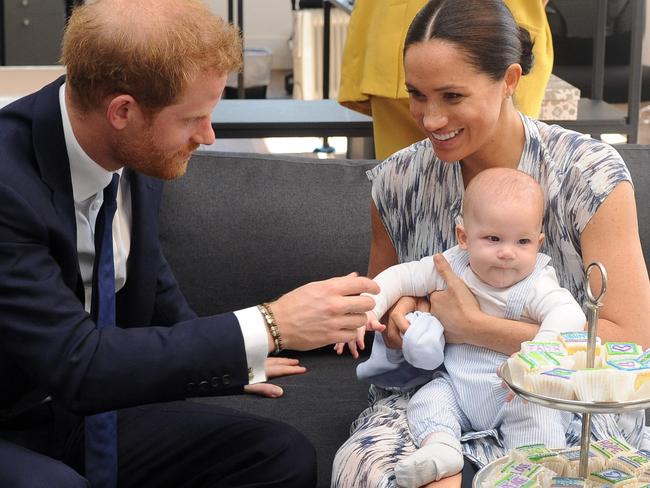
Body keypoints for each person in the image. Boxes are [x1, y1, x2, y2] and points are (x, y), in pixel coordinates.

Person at [0, 1, 381, 487]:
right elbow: (79, 363)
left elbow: (145, 272)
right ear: (123, 111)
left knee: (278, 456)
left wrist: (231, 359)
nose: (208, 135)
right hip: (16, 416)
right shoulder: (8, 184)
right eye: (192, 119)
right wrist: (270, 325)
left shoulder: (133, 149)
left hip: (85, 410)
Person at [332, 0, 650, 487]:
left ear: (509, 80)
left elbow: (631, 341)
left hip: (564, 402)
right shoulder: (398, 181)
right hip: (438, 393)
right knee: (383, 473)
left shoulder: (588, 174)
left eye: (452, 96)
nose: (431, 118)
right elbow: (386, 302)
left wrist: (472, 326)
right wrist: (399, 318)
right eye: (417, 94)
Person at [351, 168, 585, 488]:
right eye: (493, 239)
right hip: (457, 388)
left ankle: (532, 472)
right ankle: (442, 447)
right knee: (429, 400)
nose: (507, 252)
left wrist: (538, 357)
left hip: (514, 393)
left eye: (523, 241)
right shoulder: (452, 267)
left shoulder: (535, 283)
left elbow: (569, 314)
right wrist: (369, 308)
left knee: (539, 419)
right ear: (464, 238)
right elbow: (401, 277)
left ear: (538, 242)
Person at [338, 0, 554, 160]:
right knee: (406, 184)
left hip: (491, 44)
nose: (433, 119)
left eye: (453, 96)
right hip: (404, 40)